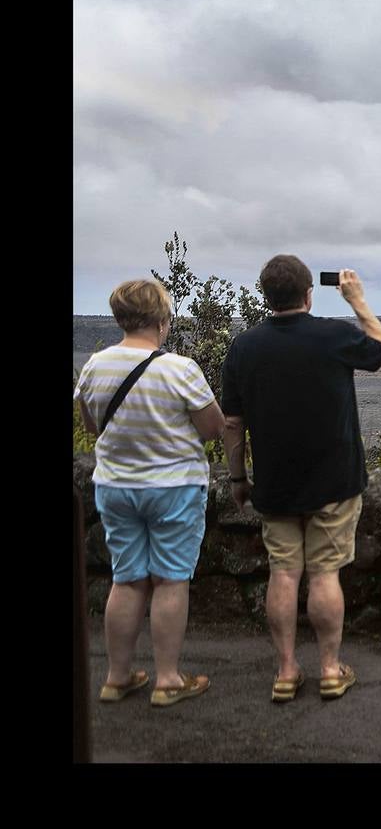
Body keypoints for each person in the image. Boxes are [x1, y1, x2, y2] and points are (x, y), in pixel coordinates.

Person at [221, 256, 381, 703]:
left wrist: (238, 476)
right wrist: (357, 301)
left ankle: (285, 671)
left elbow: (233, 423)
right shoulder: (333, 335)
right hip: (334, 481)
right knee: (324, 575)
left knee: (283, 573)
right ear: (308, 293)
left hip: (275, 485)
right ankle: (331, 670)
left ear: (266, 295)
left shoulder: (244, 347)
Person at [74, 279, 225, 707]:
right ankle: (168, 679)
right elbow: (212, 428)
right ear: (163, 319)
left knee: (126, 579)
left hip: (115, 486)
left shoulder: (95, 365)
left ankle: (117, 677)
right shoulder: (179, 369)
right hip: (173, 488)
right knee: (170, 581)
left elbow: (90, 426)